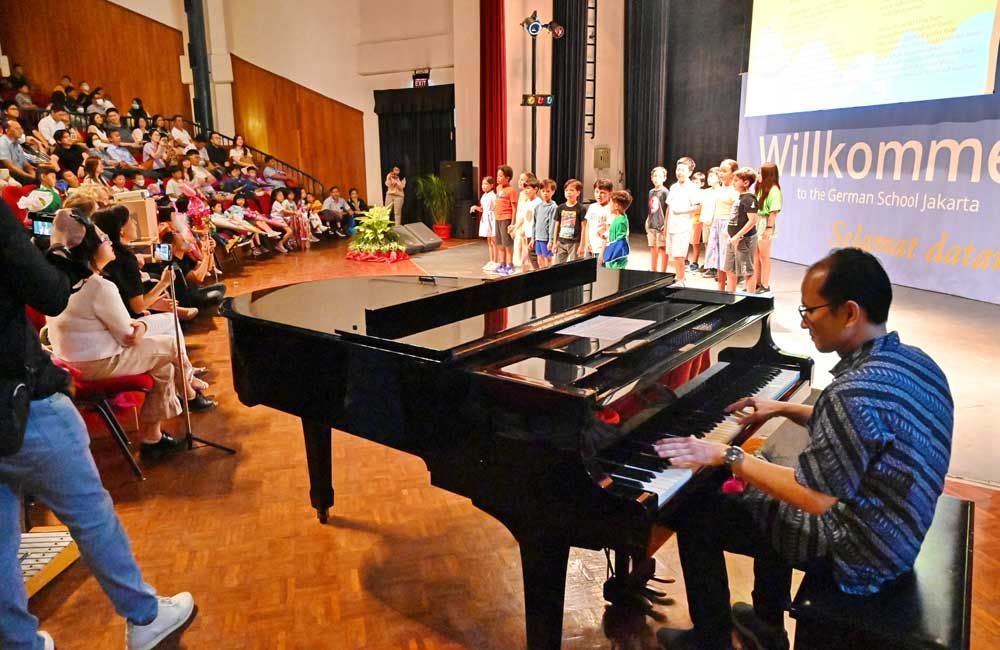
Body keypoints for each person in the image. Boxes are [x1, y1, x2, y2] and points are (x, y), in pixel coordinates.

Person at [654, 248, 954, 650]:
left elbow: (812, 497)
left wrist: (727, 455)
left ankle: (710, 640)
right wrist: (782, 408)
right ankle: (766, 622)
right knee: (771, 470)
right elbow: (862, 432)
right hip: (899, 530)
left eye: (810, 310)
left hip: (861, 555)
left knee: (696, 509)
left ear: (849, 313)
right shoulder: (914, 362)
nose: (803, 321)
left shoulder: (854, 393)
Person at [0, 203, 196, 650]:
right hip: (24, 400)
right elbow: (49, 292)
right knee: (92, 517)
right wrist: (56, 249)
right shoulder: (95, 282)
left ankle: (18, 642)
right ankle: (145, 617)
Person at [160, 230, 226, 310]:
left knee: (221, 286)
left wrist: (209, 250)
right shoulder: (173, 264)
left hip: (195, 292)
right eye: (183, 241)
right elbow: (198, 278)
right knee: (217, 295)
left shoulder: (184, 257)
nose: (187, 242)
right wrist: (205, 253)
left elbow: (205, 268)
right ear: (173, 246)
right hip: (188, 301)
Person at [665, 156, 700, 284]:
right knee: (674, 254)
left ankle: (681, 279)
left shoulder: (692, 188)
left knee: (679, 254)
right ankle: (678, 277)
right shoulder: (673, 187)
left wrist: (682, 211)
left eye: (683, 170)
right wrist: (665, 225)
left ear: (690, 172)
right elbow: (669, 207)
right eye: (678, 169)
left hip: (683, 226)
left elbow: (698, 207)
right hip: (671, 225)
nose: (679, 172)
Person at [725, 166, 759, 293]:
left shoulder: (749, 199)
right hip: (733, 239)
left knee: (747, 271)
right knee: (730, 269)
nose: (733, 182)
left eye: (736, 180)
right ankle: (731, 297)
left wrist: (738, 235)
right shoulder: (740, 198)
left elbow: (752, 220)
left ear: (746, 183)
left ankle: (751, 299)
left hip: (744, 240)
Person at [709, 159, 739, 291]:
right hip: (717, 224)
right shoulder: (720, 189)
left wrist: (731, 229)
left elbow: (737, 211)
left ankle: (731, 293)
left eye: (725, 171)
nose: (721, 173)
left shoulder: (734, 191)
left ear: (733, 173)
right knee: (719, 260)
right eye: (720, 170)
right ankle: (720, 291)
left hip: (728, 226)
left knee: (728, 261)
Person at [754, 162, 782, 294]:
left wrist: (769, 228)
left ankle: (765, 285)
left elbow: (773, 212)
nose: (758, 175)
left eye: (760, 173)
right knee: (755, 255)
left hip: (765, 223)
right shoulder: (760, 188)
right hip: (756, 221)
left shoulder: (774, 190)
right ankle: (756, 282)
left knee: (764, 257)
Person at [549, 179, 584, 264]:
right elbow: (556, 225)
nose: (568, 192)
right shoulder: (560, 208)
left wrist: (582, 245)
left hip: (574, 242)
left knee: (573, 266)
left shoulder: (581, 208)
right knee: (557, 265)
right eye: (566, 190)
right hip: (561, 241)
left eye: (571, 190)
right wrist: (554, 242)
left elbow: (584, 227)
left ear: (578, 193)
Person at [511, 175, 541, 271]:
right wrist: (515, 227)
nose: (526, 191)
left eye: (528, 188)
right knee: (528, 257)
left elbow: (539, 222)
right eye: (525, 189)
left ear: (536, 189)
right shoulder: (528, 202)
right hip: (528, 234)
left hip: (535, 236)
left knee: (535, 258)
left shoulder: (538, 203)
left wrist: (534, 237)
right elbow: (523, 218)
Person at [493, 165, 518, 275]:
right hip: (497, 218)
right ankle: (501, 263)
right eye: (497, 175)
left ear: (507, 178)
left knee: (507, 244)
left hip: (506, 218)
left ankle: (510, 264)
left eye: (500, 176)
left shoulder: (511, 191)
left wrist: (512, 223)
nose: (497, 178)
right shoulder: (498, 188)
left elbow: (514, 208)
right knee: (499, 243)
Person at [582, 179, 613, 263]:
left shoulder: (611, 209)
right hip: (590, 247)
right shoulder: (592, 207)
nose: (599, 195)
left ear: (610, 193)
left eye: (602, 192)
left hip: (603, 249)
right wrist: (587, 242)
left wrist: (603, 250)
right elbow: (588, 225)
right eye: (597, 192)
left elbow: (609, 231)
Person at [698, 167, 721, 280]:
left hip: (715, 222)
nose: (709, 179)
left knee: (715, 245)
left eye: (712, 176)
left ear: (719, 178)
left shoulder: (721, 192)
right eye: (708, 176)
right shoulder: (706, 192)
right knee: (707, 243)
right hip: (706, 221)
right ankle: (709, 264)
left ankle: (715, 267)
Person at [646, 166, 669, 272]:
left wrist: (666, 224)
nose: (656, 178)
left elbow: (668, 209)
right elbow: (651, 207)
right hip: (651, 224)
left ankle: (663, 272)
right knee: (652, 247)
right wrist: (648, 220)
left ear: (664, 178)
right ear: (651, 178)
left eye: (659, 176)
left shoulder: (665, 192)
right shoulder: (651, 192)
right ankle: (653, 270)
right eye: (654, 176)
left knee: (662, 248)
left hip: (661, 225)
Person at [603, 190, 632, 269]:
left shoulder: (621, 221)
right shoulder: (617, 218)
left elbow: (620, 242)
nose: (609, 205)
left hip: (616, 261)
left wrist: (609, 255)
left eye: (610, 203)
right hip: (613, 259)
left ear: (616, 206)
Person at [473, 176, 498, 271]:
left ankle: (496, 261)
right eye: (482, 184)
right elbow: (483, 209)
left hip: (492, 218)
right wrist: (476, 207)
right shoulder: (484, 196)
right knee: (489, 240)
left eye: (486, 184)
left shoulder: (493, 196)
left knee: (493, 240)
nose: (483, 186)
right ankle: (491, 260)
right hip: (486, 218)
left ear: (491, 185)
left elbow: (496, 208)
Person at [533, 179, 558, 269]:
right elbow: (534, 223)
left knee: (548, 259)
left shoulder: (553, 207)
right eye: (543, 191)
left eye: (548, 191)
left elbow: (552, 225)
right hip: (538, 238)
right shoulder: (538, 207)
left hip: (546, 239)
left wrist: (551, 240)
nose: (545, 193)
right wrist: (533, 238)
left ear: (553, 192)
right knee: (539, 259)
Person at [688, 170, 706, 271]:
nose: (694, 184)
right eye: (693, 181)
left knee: (695, 242)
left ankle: (695, 262)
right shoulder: (688, 192)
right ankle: (685, 259)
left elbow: (700, 207)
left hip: (697, 219)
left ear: (702, 184)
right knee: (686, 240)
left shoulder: (702, 193)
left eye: (697, 182)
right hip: (688, 218)